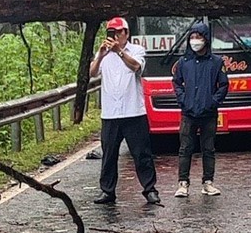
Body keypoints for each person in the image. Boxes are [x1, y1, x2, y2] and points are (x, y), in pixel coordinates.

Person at [89, 17, 160, 205]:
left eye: (119, 32)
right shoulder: (103, 54)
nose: (115, 36)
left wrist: (119, 51)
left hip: (133, 111)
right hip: (111, 114)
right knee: (109, 154)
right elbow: (92, 72)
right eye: (111, 32)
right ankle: (107, 190)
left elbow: (136, 66)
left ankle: (150, 189)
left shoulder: (136, 50)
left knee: (141, 153)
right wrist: (101, 54)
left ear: (126, 33)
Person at [172, 22, 229, 197]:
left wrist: (213, 102)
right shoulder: (184, 62)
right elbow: (177, 83)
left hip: (208, 113)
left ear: (206, 39)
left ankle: (208, 183)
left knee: (208, 148)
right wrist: (183, 100)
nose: (195, 41)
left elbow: (224, 85)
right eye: (192, 37)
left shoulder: (216, 62)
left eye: (198, 37)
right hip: (188, 113)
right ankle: (183, 183)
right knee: (185, 148)